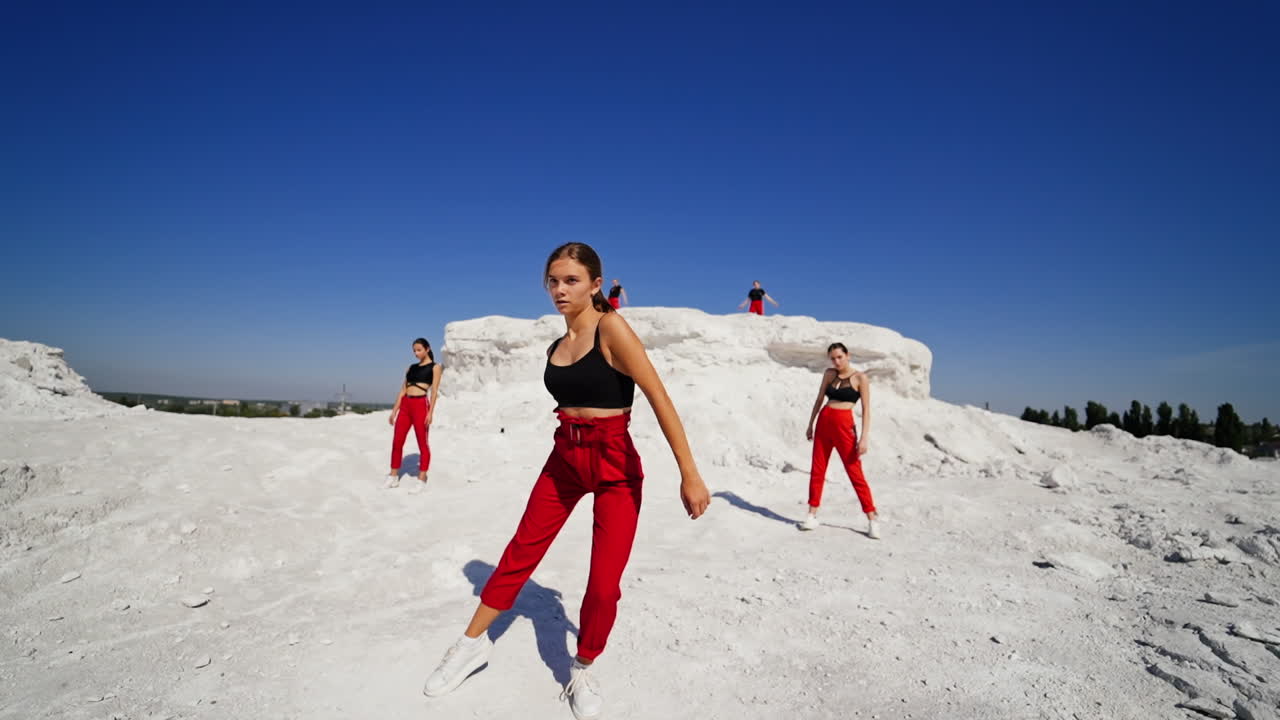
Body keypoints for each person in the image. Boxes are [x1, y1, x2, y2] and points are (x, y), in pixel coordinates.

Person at [422, 242, 711, 720]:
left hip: (615, 461)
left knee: (603, 584)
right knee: (521, 550)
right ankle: (472, 644)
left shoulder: (612, 327)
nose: (559, 289)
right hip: (565, 455)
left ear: (596, 284)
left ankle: (584, 664)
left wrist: (690, 474)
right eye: (553, 280)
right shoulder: (555, 345)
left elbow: (658, 397)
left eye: (571, 280)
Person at [799, 342, 879, 538]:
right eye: (833, 358)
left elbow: (867, 410)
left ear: (847, 355)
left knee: (854, 471)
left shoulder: (860, 378)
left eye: (839, 357)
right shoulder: (829, 374)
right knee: (818, 469)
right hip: (824, 422)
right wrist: (810, 424)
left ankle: (872, 519)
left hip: (844, 426)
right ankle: (811, 514)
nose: (836, 361)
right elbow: (819, 399)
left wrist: (864, 437)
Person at [386, 338, 441, 488]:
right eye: (414, 351)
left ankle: (421, 479)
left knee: (422, 443)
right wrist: (394, 411)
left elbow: (434, 391)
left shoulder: (435, 367)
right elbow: (403, 390)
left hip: (420, 405)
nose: (416, 353)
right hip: (406, 406)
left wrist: (430, 413)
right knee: (397, 441)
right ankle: (393, 476)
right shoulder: (410, 367)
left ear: (427, 349)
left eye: (419, 350)